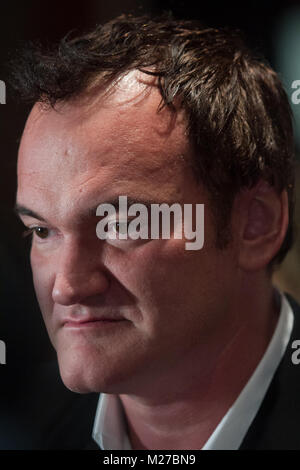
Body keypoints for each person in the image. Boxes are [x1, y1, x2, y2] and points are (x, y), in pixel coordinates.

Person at [11, 13, 300, 450]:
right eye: (42, 230)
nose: (67, 286)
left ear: (255, 224)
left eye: (121, 223)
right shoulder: (32, 424)